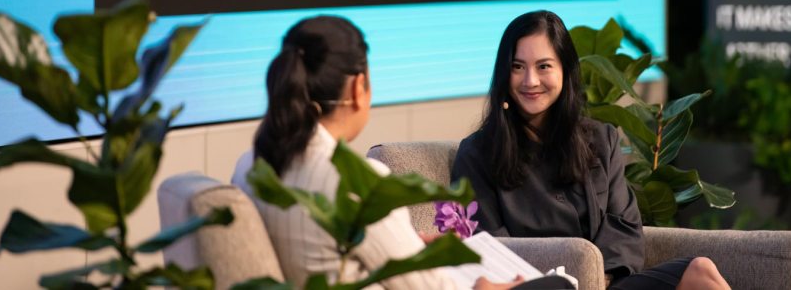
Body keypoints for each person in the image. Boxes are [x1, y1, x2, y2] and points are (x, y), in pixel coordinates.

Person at [232, 15, 572, 290]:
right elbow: (429, 287)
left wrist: (410, 248)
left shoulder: (250, 164)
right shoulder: (358, 181)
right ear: (356, 88)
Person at [451, 11, 731, 290]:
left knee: (699, 271)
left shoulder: (599, 139)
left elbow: (623, 226)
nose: (530, 81)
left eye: (544, 66)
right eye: (517, 66)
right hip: (533, 285)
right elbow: (491, 249)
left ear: (565, 69)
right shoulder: (478, 153)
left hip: (604, 283)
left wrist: (598, 278)